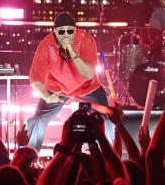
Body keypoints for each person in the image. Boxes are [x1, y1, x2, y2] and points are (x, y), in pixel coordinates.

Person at [21, 13, 115, 150]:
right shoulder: (46, 45)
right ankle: (28, 157)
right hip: (57, 87)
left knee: (106, 119)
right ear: (54, 32)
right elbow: (36, 80)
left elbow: (89, 74)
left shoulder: (87, 40)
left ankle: (111, 157)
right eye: (61, 31)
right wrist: (46, 96)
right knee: (38, 120)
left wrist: (72, 51)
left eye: (70, 31)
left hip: (86, 87)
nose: (66, 35)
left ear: (75, 30)